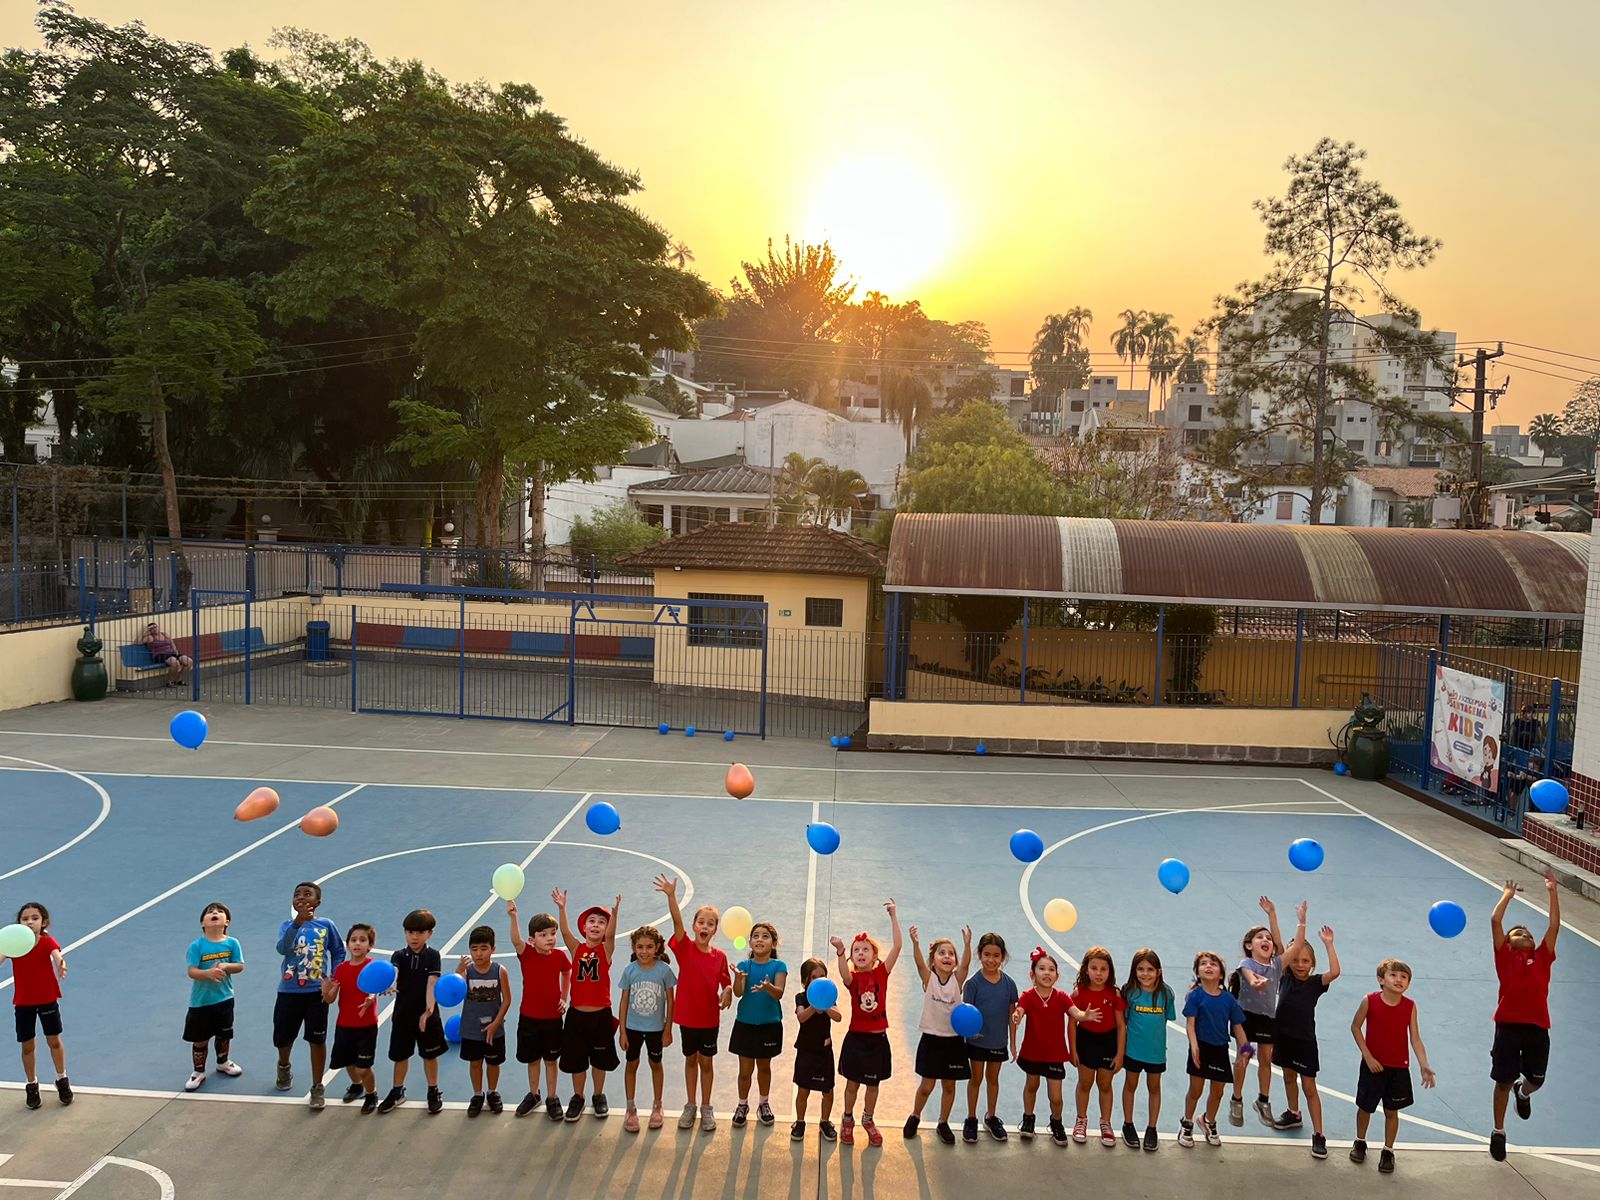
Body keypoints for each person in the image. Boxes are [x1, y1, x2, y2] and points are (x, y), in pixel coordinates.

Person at [1488, 869, 1560, 1163]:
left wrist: (1553, 893)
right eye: (1518, 933)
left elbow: (1554, 926)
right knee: (1503, 1081)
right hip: (1508, 1026)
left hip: (1538, 1028)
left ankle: (1524, 1092)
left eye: (1528, 933)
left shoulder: (1543, 957)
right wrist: (1507, 895)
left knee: (1537, 1080)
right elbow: (1495, 921)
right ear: (1507, 942)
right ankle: (1499, 1131)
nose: (1526, 935)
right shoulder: (1504, 957)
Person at [654, 874, 732, 1133]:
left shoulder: (720, 957)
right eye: (701, 922)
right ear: (694, 925)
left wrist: (729, 990)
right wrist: (671, 896)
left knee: (706, 1063)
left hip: (709, 1019)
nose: (705, 926)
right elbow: (676, 923)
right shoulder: (685, 948)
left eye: (710, 923)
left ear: (715, 930)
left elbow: (726, 983)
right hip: (687, 1018)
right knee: (690, 1060)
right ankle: (690, 1105)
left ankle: (706, 1107)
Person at [1349, 958, 1437, 1173]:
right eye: (1393, 975)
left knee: (1392, 1111)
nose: (1399, 979)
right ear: (1381, 979)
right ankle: (1360, 1141)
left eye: (1404, 977)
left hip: (1398, 1068)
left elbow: (1415, 1038)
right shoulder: (1369, 1001)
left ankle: (1388, 1150)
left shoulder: (1409, 1006)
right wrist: (1368, 1057)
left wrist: (1423, 1064)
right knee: (1365, 1107)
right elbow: (1355, 1027)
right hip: (1373, 1066)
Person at [1272, 903, 1341, 1159]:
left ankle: (1319, 1134)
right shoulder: (1283, 976)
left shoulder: (1315, 983)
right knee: (1288, 1078)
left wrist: (1328, 943)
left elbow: (1335, 971)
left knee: (1309, 1087)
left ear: (1312, 964)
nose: (1300, 965)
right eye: (1296, 960)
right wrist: (1275, 915)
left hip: (1304, 1042)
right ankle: (1293, 1113)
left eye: (1306, 961)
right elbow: (1280, 946)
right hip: (1283, 1038)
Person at [832, 899, 903, 1148]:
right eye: (856, 950)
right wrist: (841, 951)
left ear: (874, 956)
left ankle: (868, 1119)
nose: (860, 953)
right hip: (857, 1040)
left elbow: (897, 945)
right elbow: (843, 973)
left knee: (873, 1085)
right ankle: (848, 1119)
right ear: (852, 957)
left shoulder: (881, 973)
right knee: (852, 1084)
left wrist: (893, 916)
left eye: (865, 950)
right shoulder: (852, 980)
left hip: (878, 1040)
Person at [1013, 947, 1100, 1146]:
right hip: (1032, 1054)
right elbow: (1020, 1009)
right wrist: (1017, 1016)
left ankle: (1056, 1122)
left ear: (1057, 975)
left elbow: (1075, 1013)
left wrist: (1084, 1016)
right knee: (1032, 1086)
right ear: (1032, 974)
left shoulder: (1061, 997)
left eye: (1051, 969)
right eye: (1042, 968)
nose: (1046, 973)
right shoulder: (1028, 995)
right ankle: (1028, 1119)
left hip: (1054, 1056)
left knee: (1056, 1097)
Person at [273, 881, 344, 1111]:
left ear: (317, 902)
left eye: (307, 894)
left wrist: (334, 978)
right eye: (297, 894)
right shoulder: (287, 925)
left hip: (316, 993)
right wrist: (297, 923)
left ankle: (317, 1086)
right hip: (289, 991)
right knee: (284, 1038)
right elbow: (282, 949)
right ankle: (284, 1066)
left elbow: (338, 951)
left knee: (317, 1039)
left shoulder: (326, 925)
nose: (301, 897)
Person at [553, 888, 621, 1121]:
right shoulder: (576, 949)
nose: (595, 925)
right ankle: (578, 1096)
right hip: (576, 1016)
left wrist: (615, 914)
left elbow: (611, 936)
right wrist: (562, 908)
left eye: (601, 923)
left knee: (599, 1060)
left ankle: (598, 1095)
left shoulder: (605, 950)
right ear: (584, 928)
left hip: (601, 1015)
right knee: (577, 1060)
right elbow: (564, 931)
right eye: (591, 921)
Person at [904, 924, 972, 1144]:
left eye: (951, 954)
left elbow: (967, 963)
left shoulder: (957, 980)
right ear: (933, 961)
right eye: (941, 953)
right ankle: (915, 1115)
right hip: (931, 1040)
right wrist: (915, 943)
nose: (947, 956)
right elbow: (918, 962)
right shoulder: (929, 979)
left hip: (953, 1041)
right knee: (926, 1086)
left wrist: (967, 945)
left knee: (949, 1085)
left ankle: (943, 1122)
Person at [377, 908, 446, 1116]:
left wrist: (428, 1011)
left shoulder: (433, 956)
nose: (414, 937)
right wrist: (390, 982)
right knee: (401, 1056)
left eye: (419, 932)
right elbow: (395, 971)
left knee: (430, 1056)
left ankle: (433, 1091)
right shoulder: (398, 955)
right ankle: (398, 1091)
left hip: (428, 1015)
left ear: (429, 934)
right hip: (402, 1016)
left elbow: (431, 984)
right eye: (410, 932)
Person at [1179, 950, 1250, 1149]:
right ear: (1198, 972)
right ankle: (1187, 1122)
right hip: (1201, 1048)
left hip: (1220, 1050)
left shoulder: (1228, 1000)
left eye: (1213, 964)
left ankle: (1208, 1121)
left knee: (1217, 1092)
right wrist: (1193, 1045)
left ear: (1220, 974)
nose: (1208, 966)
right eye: (1203, 964)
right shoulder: (1195, 996)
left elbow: (1237, 1026)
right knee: (1196, 1090)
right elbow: (1190, 1024)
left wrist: (1245, 1050)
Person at [507, 900, 570, 1120]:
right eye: (543, 935)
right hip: (529, 1018)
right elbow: (515, 940)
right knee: (533, 1060)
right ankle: (534, 1095)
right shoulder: (527, 954)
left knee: (551, 1061)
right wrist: (514, 916)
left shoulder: (560, 957)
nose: (550, 938)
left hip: (552, 1018)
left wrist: (564, 996)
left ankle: (552, 1097)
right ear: (532, 939)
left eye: (553, 933)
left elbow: (566, 972)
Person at [5, 902, 70, 1109]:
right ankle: (31, 1085)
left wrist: (61, 964)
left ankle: (62, 1079)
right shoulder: (14, 945)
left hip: (47, 999)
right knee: (27, 1046)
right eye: (25, 918)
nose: (30, 921)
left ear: (43, 922)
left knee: (54, 1041)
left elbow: (57, 956)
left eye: (35, 918)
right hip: (23, 1002)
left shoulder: (46, 941)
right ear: (19, 923)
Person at [1229, 895, 1286, 1127]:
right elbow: (1250, 978)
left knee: (1265, 1059)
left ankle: (1263, 1101)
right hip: (1244, 1017)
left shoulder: (1275, 966)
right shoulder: (1246, 964)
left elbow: (1283, 947)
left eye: (1268, 938)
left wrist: (1272, 914)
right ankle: (1237, 1099)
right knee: (1244, 1055)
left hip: (1266, 1018)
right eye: (1259, 937)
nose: (1266, 940)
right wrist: (1255, 983)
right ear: (1248, 945)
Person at [617, 924, 675, 1133]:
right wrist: (622, 1031)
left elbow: (670, 1001)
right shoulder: (630, 971)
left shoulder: (664, 971)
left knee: (655, 1064)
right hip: (632, 1027)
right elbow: (623, 1002)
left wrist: (668, 1029)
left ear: (657, 947)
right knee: (631, 1064)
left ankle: (657, 1105)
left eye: (649, 947)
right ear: (633, 947)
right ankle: (630, 1107)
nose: (644, 951)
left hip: (655, 1029)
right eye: (640, 947)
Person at [960, 930, 1017, 1143]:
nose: (991, 960)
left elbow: (1012, 1016)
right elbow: (967, 1015)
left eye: (996, 955)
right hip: (977, 1042)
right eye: (987, 955)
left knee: (993, 1079)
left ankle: (991, 1117)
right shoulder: (973, 984)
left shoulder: (1009, 984)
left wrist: (1012, 1043)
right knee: (976, 1079)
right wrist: (970, 1034)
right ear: (979, 955)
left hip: (998, 1042)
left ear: (1003, 957)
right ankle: (971, 1118)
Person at [182, 902, 245, 1092]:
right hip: (201, 1002)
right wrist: (208, 974)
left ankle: (223, 1062)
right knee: (200, 1038)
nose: (214, 913)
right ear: (203, 923)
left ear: (227, 922)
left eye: (219, 912)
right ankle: (198, 1071)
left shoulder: (232, 943)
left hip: (224, 998)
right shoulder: (197, 946)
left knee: (224, 1033)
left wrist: (226, 967)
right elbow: (192, 971)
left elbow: (240, 965)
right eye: (210, 913)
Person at [1069, 945, 1127, 1147]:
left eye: (1103, 969)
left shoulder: (1115, 995)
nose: (1099, 973)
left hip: (1108, 1043)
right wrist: (1073, 1049)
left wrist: (1120, 1054)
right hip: (1086, 1041)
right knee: (1085, 1083)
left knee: (1105, 1084)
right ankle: (1081, 1120)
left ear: (1110, 971)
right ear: (1086, 969)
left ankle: (1105, 1123)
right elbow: (1072, 1024)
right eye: (1094, 968)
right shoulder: (1079, 994)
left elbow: (1121, 1026)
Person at [730, 921, 787, 1128]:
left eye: (765, 936)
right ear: (750, 942)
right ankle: (742, 1104)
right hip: (745, 1024)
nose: (759, 939)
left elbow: (779, 993)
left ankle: (763, 1103)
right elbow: (738, 992)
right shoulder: (744, 966)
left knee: (764, 1067)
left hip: (769, 1026)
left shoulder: (778, 966)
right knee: (745, 1071)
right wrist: (737, 978)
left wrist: (768, 987)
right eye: (756, 936)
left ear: (773, 944)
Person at [1120, 947, 1175, 1151]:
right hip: (1133, 1051)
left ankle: (1152, 1128)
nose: (1145, 973)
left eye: (1150, 969)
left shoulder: (1166, 994)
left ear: (1158, 971)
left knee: (1154, 1087)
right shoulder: (1130, 992)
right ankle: (1128, 1124)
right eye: (1140, 969)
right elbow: (1124, 1020)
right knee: (1130, 1084)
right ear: (1134, 971)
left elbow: (1166, 1019)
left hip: (1156, 1053)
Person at [456, 925, 512, 1117]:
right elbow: (455, 991)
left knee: (493, 1063)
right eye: (474, 949)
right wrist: (458, 971)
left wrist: (496, 1023)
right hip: (471, 1029)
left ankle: (492, 1092)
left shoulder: (499, 971)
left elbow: (507, 1000)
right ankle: (478, 1094)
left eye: (483, 948)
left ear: (493, 949)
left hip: (494, 1029)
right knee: (475, 1063)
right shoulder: (467, 972)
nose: (478, 953)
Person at [325, 922, 380, 1113]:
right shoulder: (341, 969)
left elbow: (375, 990)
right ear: (348, 944)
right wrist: (326, 992)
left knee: (363, 1067)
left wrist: (369, 999)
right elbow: (331, 999)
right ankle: (357, 1085)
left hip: (366, 1026)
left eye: (362, 940)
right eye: (353, 940)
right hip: (344, 1025)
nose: (357, 943)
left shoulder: (371, 966)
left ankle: (371, 1093)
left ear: (370, 945)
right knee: (349, 1062)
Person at [791, 959, 841, 1142]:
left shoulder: (829, 997)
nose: (819, 980)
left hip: (824, 1052)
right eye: (814, 977)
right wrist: (814, 1006)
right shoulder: (801, 998)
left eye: (822, 976)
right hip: (806, 1051)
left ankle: (825, 1121)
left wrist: (826, 1006)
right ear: (806, 980)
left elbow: (839, 1017)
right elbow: (801, 1017)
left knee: (827, 1091)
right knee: (803, 1090)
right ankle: (800, 1122)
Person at [140, 621, 192, 687]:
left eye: (155, 627)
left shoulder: (165, 634)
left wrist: (175, 651)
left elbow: (172, 643)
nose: (154, 629)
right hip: (159, 655)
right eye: (151, 629)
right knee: (175, 663)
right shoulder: (149, 637)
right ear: (150, 630)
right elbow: (137, 642)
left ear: (158, 627)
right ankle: (169, 682)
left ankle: (179, 680)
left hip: (171, 653)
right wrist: (144, 634)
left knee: (189, 661)